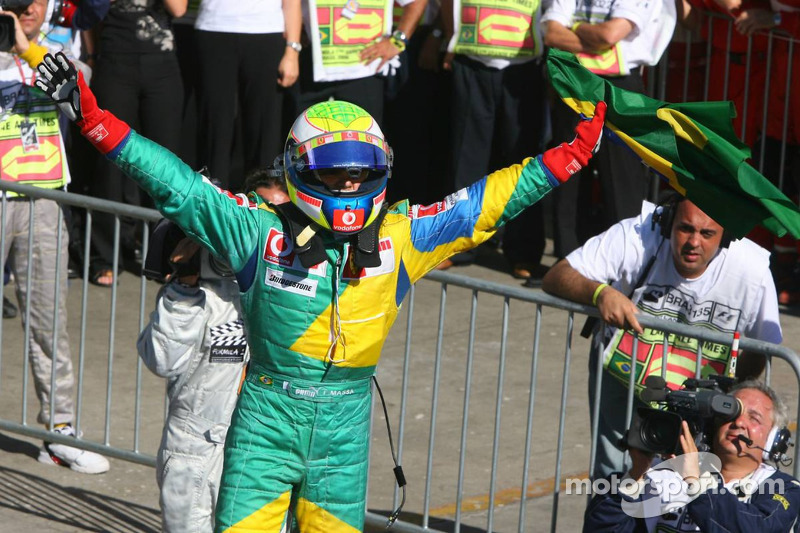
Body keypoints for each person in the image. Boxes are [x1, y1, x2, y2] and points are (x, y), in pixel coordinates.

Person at [35, 51, 606, 530]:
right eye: (335, 173)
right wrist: (90, 115)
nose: (351, 184)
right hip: (264, 422)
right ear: (299, 171)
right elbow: (175, 184)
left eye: (361, 173)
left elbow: (494, 197)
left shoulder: (405, 236)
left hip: (345, 434)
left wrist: (574, 153)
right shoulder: (255, 228)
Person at [542, 195, 782, 480]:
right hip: (622, 378)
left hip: (699, 396)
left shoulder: (751, 269)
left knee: (688, 482)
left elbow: (764, 348)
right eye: (685, 229)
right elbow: (556, 276)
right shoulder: (636, 234)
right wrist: (600, 293)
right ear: (667, 223)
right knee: (613, 476)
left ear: (725, 236)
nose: (694, 242)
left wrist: (726, 397)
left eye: (707, 234)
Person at [0, 0, 109, 474]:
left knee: (49, 323)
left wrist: (26, 49)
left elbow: (79, 89)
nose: (23, 10)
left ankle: (58, 432)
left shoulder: (50, 52)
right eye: (13, 3)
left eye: (31, 2)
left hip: (42, 199)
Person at [541, 0, 676, 259]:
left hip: (621, 86)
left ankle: (622, 264)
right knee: (567, 173)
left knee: (622, 180)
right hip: (575, 81)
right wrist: (597, 44)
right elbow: (552, 33)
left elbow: (610, 35)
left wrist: (575, 26)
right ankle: (567, 261)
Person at [583, 380, 800, 532]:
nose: (739, 422)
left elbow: (755, 528)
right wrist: (635, 475)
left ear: (774, 439)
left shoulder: (784, 487)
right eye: (731, 413)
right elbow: (600, 527)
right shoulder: (663, 472)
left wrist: (696, 483)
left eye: (754, 418)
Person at [436, 0, 548, 281]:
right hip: (472, 63)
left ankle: (523, 252)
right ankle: (456, 246)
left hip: (523, 69)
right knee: (465, 161)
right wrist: (451, 39)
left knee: (523, 165)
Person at [194, 0, 302, 191]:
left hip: (266, 31)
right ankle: (213, 202)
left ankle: (261, 204)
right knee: (214, 125)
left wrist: (292, 50)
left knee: (264, 128)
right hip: (213, 28)